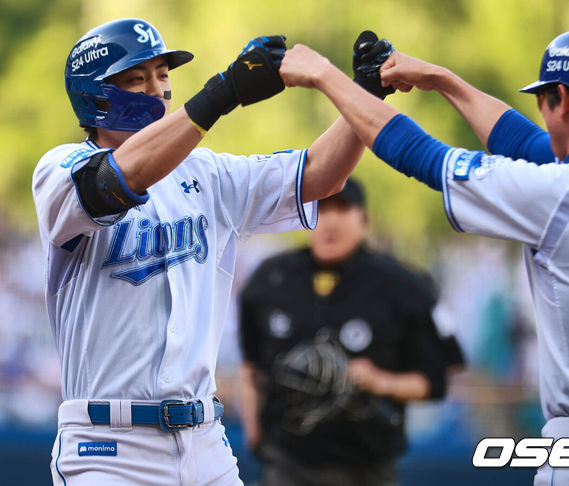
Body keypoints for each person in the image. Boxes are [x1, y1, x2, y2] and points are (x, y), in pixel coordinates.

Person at [277, 29, 569, 485]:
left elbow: (418, 153)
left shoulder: (557, 192)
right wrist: (443, 80)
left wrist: (326, 77)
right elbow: (531, 145)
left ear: (564, 100)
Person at [32, 18, 372, 486]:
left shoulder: (207, 174)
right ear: (96, 94)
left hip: (204, 441)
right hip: (108, 447)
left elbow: (318, 175)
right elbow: (112, 181)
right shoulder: (59, 169)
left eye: (163, 75)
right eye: (137, 77)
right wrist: (222, 93)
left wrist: (364, 97)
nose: (157, 89)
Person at [237, 177, 463, 486]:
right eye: (321, 210)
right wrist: (255, 437)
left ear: (363, 220)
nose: (330, 221)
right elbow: (251, 369)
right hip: (288, 462)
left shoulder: (404, 285)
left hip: (367, 466)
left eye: (342, 209)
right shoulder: (271, 278)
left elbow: (438, 379)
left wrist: (381, 381)